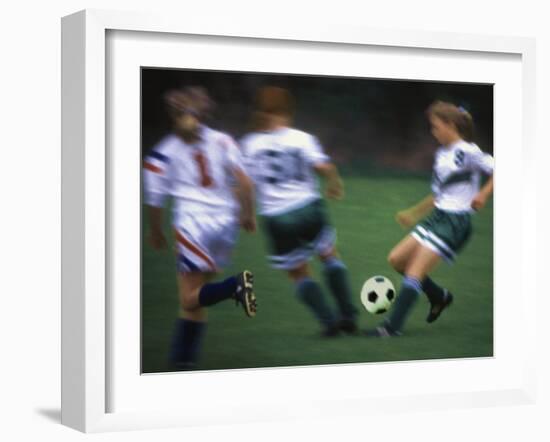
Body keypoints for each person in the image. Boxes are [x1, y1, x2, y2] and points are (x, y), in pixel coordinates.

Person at [143, 86, 257, 369]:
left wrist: (155, 230)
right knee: (195, 300)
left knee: (188, 296)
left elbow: (155, 200)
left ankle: (235, 287)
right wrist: (248, 215)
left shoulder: (162, 154)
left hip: (193, 224)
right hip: (225, 224)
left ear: (172, 116)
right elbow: (245, 183)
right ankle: (183, 362)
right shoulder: (223, 141)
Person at [366, 100, 494, 337]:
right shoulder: (441, 154)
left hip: (456, 222)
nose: (433, 132)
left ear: (450, 124)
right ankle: (438, 297)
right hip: (438, 217)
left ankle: (391, 328)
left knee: (415, 270)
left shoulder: (468, 151)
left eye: (435, 126)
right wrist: (413, 213)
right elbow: (439, 194)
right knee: (397, 260)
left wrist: (483, 195)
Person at [240, 86, 359, 337]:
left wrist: (248, 215)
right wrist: (335, 183)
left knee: (298, 273)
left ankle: (329, 322)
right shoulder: (301, 138)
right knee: (329, 256)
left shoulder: (249, 144)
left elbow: (246, 185)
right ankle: (348, 315)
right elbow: (323, 166)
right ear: (287, 112)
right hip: (308, 207)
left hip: (277, 217)